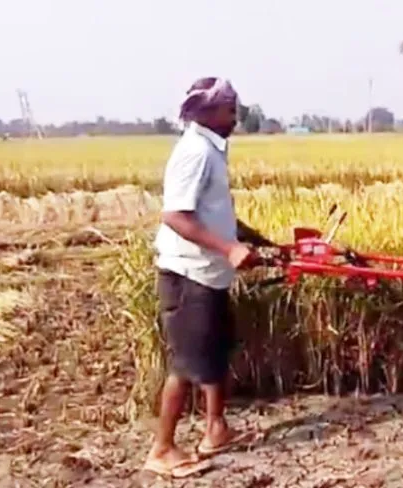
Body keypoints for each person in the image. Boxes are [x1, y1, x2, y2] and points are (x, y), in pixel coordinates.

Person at [143, 76, 273, 478]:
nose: (235, 115)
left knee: (215, 350)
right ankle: (162, 449)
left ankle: (216, 429)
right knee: (186, 362)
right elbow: (176, 216)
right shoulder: (195, 152)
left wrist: (252, 238)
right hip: (188, 274)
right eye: (229, 108)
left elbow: (212, 210)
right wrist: (230, 249)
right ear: (208, 111)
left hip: (210, 274)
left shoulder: (212, 149)